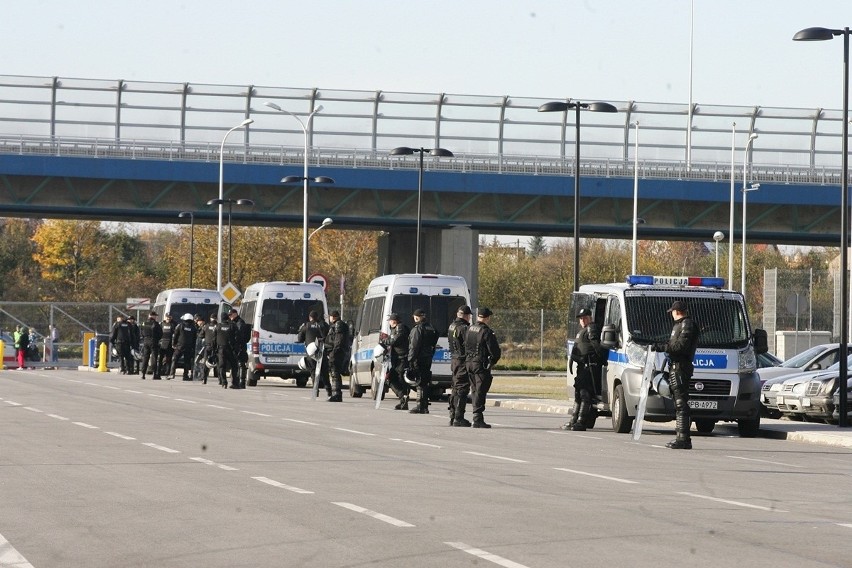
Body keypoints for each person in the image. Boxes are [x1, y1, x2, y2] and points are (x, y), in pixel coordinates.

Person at [653, 300, 699, 450]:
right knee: (678, 402)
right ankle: (681, 436)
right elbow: (673, 344)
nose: (671, 314)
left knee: (681, 403)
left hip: (681, 367)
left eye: (672, 311)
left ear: (677, 311)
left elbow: (680, 346)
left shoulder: (687, 324)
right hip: (674, 366)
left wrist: (662, 347)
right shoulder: (678, 325)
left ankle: (683, 438)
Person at [563, 308, 604, 431]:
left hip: (589, 367)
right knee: (578, 394)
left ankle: (581, 421)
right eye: (581, 318)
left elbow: (597, 347)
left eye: (585, 318)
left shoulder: (591, 329)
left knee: (585, 394)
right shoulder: (582, 331)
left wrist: (599, 360)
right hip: (581, 367)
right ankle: (573, 420)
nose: (582, 320)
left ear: (590, 318)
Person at [464, 307, 501, 428]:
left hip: (469, 362)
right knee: (480, 390)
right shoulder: (486, 332)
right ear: (487, 318)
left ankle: (476, 416)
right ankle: (477, 418)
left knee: (474, 390)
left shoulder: (469, 328)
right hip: (480, 363)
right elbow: (495, 351)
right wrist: (492, 362)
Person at [407, 308, 439, 414]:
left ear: (416, 317)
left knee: (420, 382)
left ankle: (420, 405)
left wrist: (410, 360)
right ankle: (424, 406)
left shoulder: (417, 329)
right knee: (425, 381)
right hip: (427, 357)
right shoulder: (431, 328)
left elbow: (414, 346)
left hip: (419, 358)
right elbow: (433, 343)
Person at [380, 313, 411, 410]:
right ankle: (403, 400)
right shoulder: (396, 329)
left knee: (398, 379)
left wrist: (384, 341)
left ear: (395, 321)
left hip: (401, 359)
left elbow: (395, 340)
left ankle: (403, 398)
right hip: (397, 359)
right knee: (391, 378)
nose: (389, 322)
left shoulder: (400, 328)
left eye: (390, 320)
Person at [448, 305, 472, 426]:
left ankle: (453, 415)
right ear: (467, 316)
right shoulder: (464, 328)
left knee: (455, 388)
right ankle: (458, 417)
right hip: (462, 360)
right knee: (462, 388)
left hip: (454, 359)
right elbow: (468, 345)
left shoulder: (452, 326)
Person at [297, 311, 329, 396]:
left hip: (311, 353)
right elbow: (329, 336)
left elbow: (300, 338)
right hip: (322, 352)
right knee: (325, 372)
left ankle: (315, 390)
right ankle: (329, 390)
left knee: (313, 371)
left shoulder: (306, 326)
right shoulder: (324, 325)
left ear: (310, 317)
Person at [323, 310, 347, 402]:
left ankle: (337, 394)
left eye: (330, 316)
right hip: (334, 352)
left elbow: (338, 340)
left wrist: (334, 352)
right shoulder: (336, 325)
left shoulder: (338, 325)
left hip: (337, 353)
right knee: (334, 373)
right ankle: (335, 393)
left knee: (335, 373)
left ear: (333, 317)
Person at [215, 311, 240, 389]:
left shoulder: (218, 326)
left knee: (222, 366)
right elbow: (237, 338)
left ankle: (223, 382)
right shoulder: (233, 326)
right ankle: (235, 383)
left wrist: (214, 349)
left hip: (221, 349)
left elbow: (214, 339)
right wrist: (236, 349)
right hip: (231, 349)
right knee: (234, 366)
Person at [169, 313, 197, 380]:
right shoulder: (193, 328)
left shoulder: (180, 326)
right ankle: (185, 376)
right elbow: (194, 338)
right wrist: (193, 347)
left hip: (180, 346)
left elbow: (175, 335)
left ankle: (172, 374)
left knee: (174, 359)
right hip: (189, 347)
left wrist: (173, 344)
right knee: (187, 362)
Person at [228, 308, 250, 389]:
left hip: (240, 346)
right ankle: (235, 382)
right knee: (235, 364)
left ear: (235, 314)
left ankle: (241, 382)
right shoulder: (233, 322)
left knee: (241, 364)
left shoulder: (240, 322)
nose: (230, 317)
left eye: (231, 315)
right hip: (235, 346)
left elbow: (239, 335)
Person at [139, 312, 162, 380]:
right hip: (153, 341)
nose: (156, 317)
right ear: (153, 316)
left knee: (145, 357)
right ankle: (155, 374)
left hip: (146, 341)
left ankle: (143, 374)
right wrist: (156, 339)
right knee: (154, 357)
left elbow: (141, 332)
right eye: (155, 316)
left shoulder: (144, 323)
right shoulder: (156, 324)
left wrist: (145, 338)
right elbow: (160, 334)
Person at [201, 313, 218, 385]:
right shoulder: (218, 326)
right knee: (218, 363)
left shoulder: (206, 326)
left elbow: (201, 335)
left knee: (206, 363)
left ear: (210, 319)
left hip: (208, 347)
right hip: (216, 347)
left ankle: (204, 378)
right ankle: (220, 379)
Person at [157, 313, 176, 379]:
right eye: (167, 317)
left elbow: (175, 334)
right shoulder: (162, 324)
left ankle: (167, 373)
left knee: (168, 360)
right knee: (160, 360)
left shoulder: (174, 324)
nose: (168, 319)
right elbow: (158, 333)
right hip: (162, 344)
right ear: (165, 317)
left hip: (170, 344)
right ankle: (158, 373)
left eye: (170, 317)